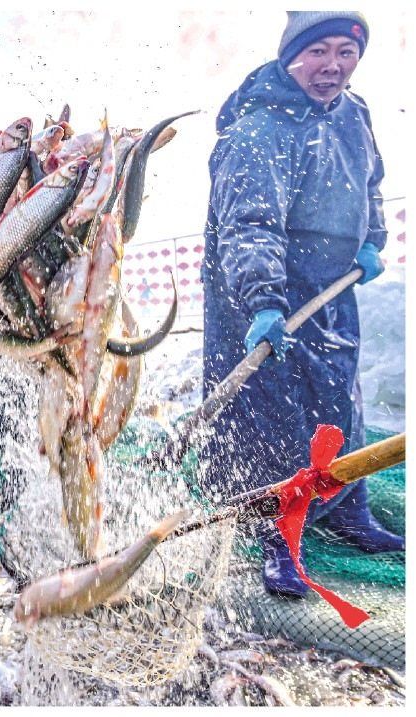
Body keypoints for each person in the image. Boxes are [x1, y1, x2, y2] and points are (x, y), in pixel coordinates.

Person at [201, 11, 405, 598]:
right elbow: (249, 225)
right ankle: (278, 536)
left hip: (332, 287)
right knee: (271, 414)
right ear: (291, 56)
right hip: (263, 295)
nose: (333, 66)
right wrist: (263, 301)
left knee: (340, 397)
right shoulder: (259, 128)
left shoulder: (355, 113)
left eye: (346, 52)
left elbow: (370, 183)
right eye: (318, 52)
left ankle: (348, 509)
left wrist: (371, 239)